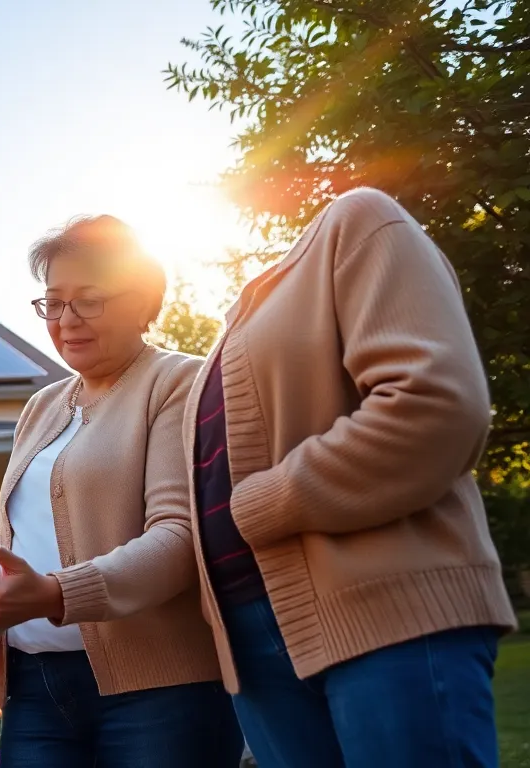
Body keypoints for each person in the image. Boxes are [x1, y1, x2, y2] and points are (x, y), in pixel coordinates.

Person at [181, 187, 518, 768]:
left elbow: (432, 406)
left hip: (389, 616)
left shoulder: (358, 219)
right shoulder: (238, 317)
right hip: (254, 649)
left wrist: (258, 505)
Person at [0, 215, 244, 767]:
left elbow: (182, 537)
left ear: (142, 301)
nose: (66, 320)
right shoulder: (39, 408)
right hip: (36, 694)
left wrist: (57, 593)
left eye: (88, 300)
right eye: (53, 302)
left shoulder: (181, 382)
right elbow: (11, 559)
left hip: (159, 691)